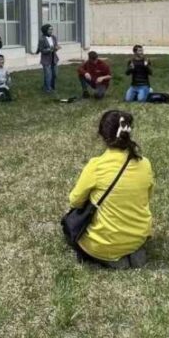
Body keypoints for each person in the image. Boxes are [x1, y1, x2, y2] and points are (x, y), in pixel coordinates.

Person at [67, 110, 154, 269]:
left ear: (102, 135)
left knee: (70, 225)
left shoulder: (96, 166)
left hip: (104, 242)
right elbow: (147, 197)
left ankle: (112, 256)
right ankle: (131, 250)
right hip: (139, 236)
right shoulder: (145, 164)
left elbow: (75, 201)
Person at [37, 24, 60, 93]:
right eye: (49, 29)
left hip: (54, 58)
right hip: (46, 59)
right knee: (48, 75)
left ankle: (49, 86)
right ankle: (48, 89)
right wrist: (49, 50)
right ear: (45, 30)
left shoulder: (54, 37)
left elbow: (55, 46)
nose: (51, 31)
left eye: (52, 29)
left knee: (55, 74)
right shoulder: (42, 39)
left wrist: (56, 48)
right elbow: (42, 50)